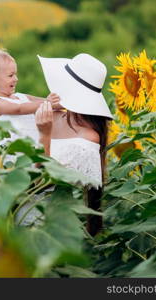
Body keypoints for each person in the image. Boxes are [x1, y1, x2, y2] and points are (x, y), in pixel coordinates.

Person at [35, 53, 114, 236]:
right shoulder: (56, 114)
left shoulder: (87, 139)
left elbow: (43, 183)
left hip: (46, 223)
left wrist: (44, 135)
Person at [0, 44, 61, 143]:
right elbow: (19, 109)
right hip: (16, 154)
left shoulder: (21, 97)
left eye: (15, 74)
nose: (16, 79)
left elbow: (42, 102)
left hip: (35, 147)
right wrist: (47, 103)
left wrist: (60, 104)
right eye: (10, 75)